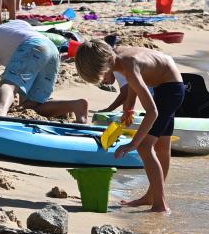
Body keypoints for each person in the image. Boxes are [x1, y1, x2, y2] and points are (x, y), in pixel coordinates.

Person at [75, 38, 184, 213]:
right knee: (162, 146)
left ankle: (160, 204)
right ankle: (152, 197)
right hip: (168, 82)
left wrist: (133, 143)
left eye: (101, 77)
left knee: (144, 146)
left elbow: (152, 112)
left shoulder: (128, 65)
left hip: (171, 89)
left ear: (107, 64)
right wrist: (129, 107)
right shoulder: (118, 57)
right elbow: (134, 82)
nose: (103, 82)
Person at [0, 19, 88, 121]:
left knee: (8, 84)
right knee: (32, 106)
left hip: (33, 46)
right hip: (52, 49)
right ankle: (76, 105)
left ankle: (1, 112)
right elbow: (27, 67)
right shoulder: (18, 24)